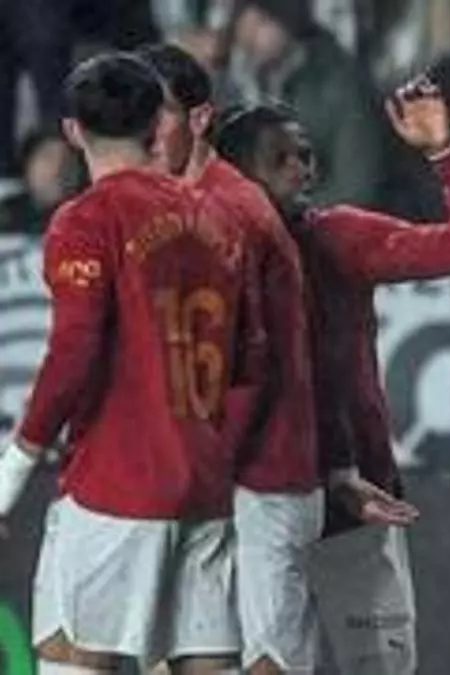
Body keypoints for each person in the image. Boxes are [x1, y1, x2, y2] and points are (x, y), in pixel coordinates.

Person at [133, 43, 415, 675]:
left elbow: (293, 361)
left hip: (248, 477)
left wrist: (333, 462)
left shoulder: (246, 219)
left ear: (197, 120)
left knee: (258, 656)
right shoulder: (147, 212)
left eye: (154, 113)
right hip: (184, 474)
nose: (141, 133)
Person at [212, 80, 450, 674]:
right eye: (280, 159)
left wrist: (444, 153)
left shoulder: (339, 237)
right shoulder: (207, 256)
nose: (301, 169)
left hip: (360, 503)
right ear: (236, 177)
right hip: (255, 499)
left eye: (306, 155)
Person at [0, 52, 263, 674]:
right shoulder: (218, 218)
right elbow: (251, 355)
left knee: (74, 658)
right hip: (204, 488)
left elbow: (74, 351)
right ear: (155, 126)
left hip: (114, 487)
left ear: (72, 131)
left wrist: (12, 471)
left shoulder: (86, 220)